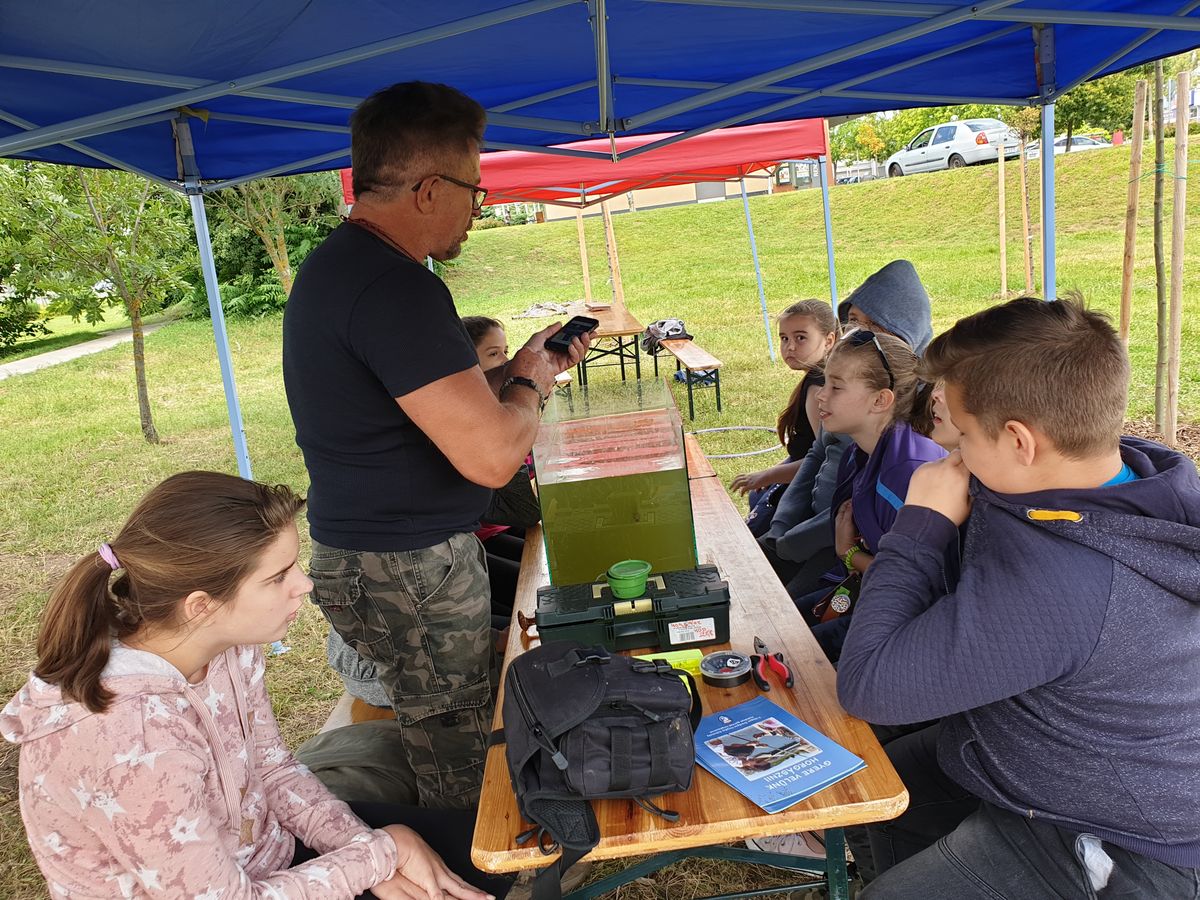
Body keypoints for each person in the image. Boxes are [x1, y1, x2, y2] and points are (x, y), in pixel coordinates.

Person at [282, 81, 588, 810]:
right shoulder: (396, 289)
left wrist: (519, 372)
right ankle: (466, 859)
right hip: (406, 564)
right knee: (457, 751)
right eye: (474, 191)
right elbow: (492, 457)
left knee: (446, 724)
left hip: (380, 555)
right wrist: (531, 383)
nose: (478, 210)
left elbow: (430, 409)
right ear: (428, 190)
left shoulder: (342, 268)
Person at [0, 471, 509, 900]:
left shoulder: (227, 644)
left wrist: (368, 851)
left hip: (267, 856)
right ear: (201, 605)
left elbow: (272, 769)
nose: (305, 585)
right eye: (278, 576)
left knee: (484, 855)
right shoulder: (129, 742)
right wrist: (381, 855)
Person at [837, 297, 1200, 898]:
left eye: (961, 435)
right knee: (881, 789)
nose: (951, 454)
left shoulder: (1064, 581)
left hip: (1117, 837)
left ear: (1019, 440)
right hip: (1037, 752)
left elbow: (869, 687)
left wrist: (920, 527)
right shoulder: (1114, 475)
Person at [757, 260, 933, 594]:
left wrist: (796, 545)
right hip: (815, 533)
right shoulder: (851, 415)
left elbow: (906, 571)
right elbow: (817, 457)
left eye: (873, 325)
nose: (858, 334)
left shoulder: (908, 445)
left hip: (847, 555)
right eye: (853, 321)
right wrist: (781, 528)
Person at [791, 330, 945, 663]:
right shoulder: (859, 453)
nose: (821, 396)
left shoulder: (908, 475)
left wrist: (849, 554)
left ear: (880, 401)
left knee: (795, 657)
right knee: (781, 625)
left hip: (906, 626)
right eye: (824, 382)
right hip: (867, 589)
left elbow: (917, 586)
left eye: (836, 387)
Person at [732, 300, 839, 537]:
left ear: (829, 340)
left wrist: (767, 475)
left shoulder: (817, 390)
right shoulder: (814, 379)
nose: (790, 347)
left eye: (801, 338)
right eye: (784, 338)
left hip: (807, 494)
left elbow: (823, 459)